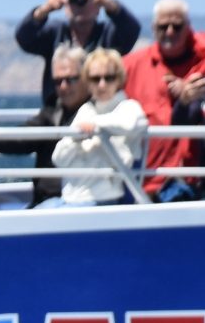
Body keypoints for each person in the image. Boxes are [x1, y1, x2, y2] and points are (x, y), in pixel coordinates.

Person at [124, 0, 205, 200]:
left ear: (189, 27)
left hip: (194, 180)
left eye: (177, 26)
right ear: (154, 29)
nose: (170, 32)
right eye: (163, 26)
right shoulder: (131, 67)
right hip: (144, 181)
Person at [15, 0, 141, 111]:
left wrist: (109, 4)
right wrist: (46, 8)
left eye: (87, 0)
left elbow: (131, 30)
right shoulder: (54, 33)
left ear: (98, 7)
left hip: (100, 112)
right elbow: (24, 37)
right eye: (74, 0)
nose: (80, 5)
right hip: (60, 112)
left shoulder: (109, 34)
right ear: (66, 6)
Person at [46, 48, 148, 207]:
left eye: (109, 78)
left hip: (102, 201)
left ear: (119, 79)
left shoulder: (128, 107)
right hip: (70, 199)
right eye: (95, 79)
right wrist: (75, 139)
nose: (102, 84)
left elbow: (133, 123)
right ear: (87, 82)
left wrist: (95, 125)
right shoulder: (86, 111)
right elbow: (59, 159)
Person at [16, 46, 92, 205]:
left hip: (74, 203)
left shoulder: (96, 113)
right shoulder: (53, 110)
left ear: (86, 77)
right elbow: (21, 139)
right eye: (57, 81)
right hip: (43, 201)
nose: (63, 86)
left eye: (70, 80)